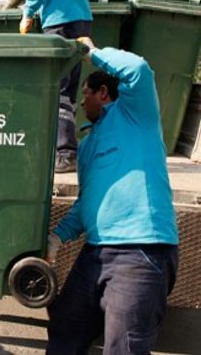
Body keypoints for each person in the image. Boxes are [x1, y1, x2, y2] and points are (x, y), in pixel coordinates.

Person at [45, 37, 178, 355]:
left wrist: (92, 54)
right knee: (65, 328)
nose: (79, 104)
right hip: (96, 252)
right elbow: (86, 203)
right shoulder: (88, 145)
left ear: (103, 93)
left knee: (123, 348)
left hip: (141, 252)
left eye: (85, 94)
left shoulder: (136, 115)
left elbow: (138, 69)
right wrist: (56, 238)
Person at [20, 0, 111, 173]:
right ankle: (66, 150)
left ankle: (65, 154)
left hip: (57, 20)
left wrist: (28, 13)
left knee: (56, 88)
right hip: (82, 20)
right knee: (69, 90)